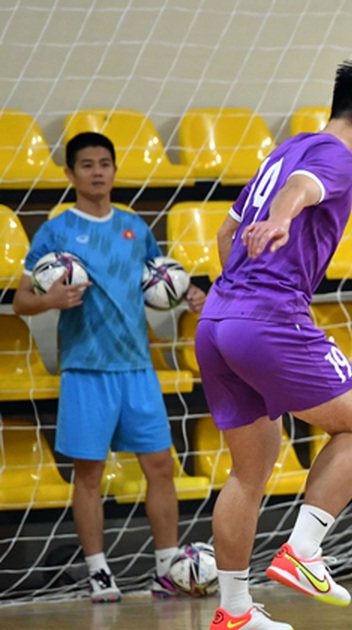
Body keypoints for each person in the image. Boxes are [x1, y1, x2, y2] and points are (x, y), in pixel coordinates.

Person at [194, 60, 352, 630]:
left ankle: (235, 612)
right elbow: (302, 191)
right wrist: (285, 220)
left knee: (249, 472)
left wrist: (236, 293)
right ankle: (305, 549)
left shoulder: (287, 146)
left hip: (217, 319)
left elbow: (225, 231)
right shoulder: (335, 156)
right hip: (267, 313)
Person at [13, 131, 207, 603]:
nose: (97, 171)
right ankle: (99, 572)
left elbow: (155, 284)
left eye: (105, 163)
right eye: (86, 164)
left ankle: (166, 566)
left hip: (137, 369)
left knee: (160, 466)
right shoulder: (56, 230)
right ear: (70, 173)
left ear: (115, 171)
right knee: (89, 474)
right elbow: (21, 300)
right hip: (86, 370)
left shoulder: (135, 227)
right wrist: (51, 300)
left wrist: (187, 294)